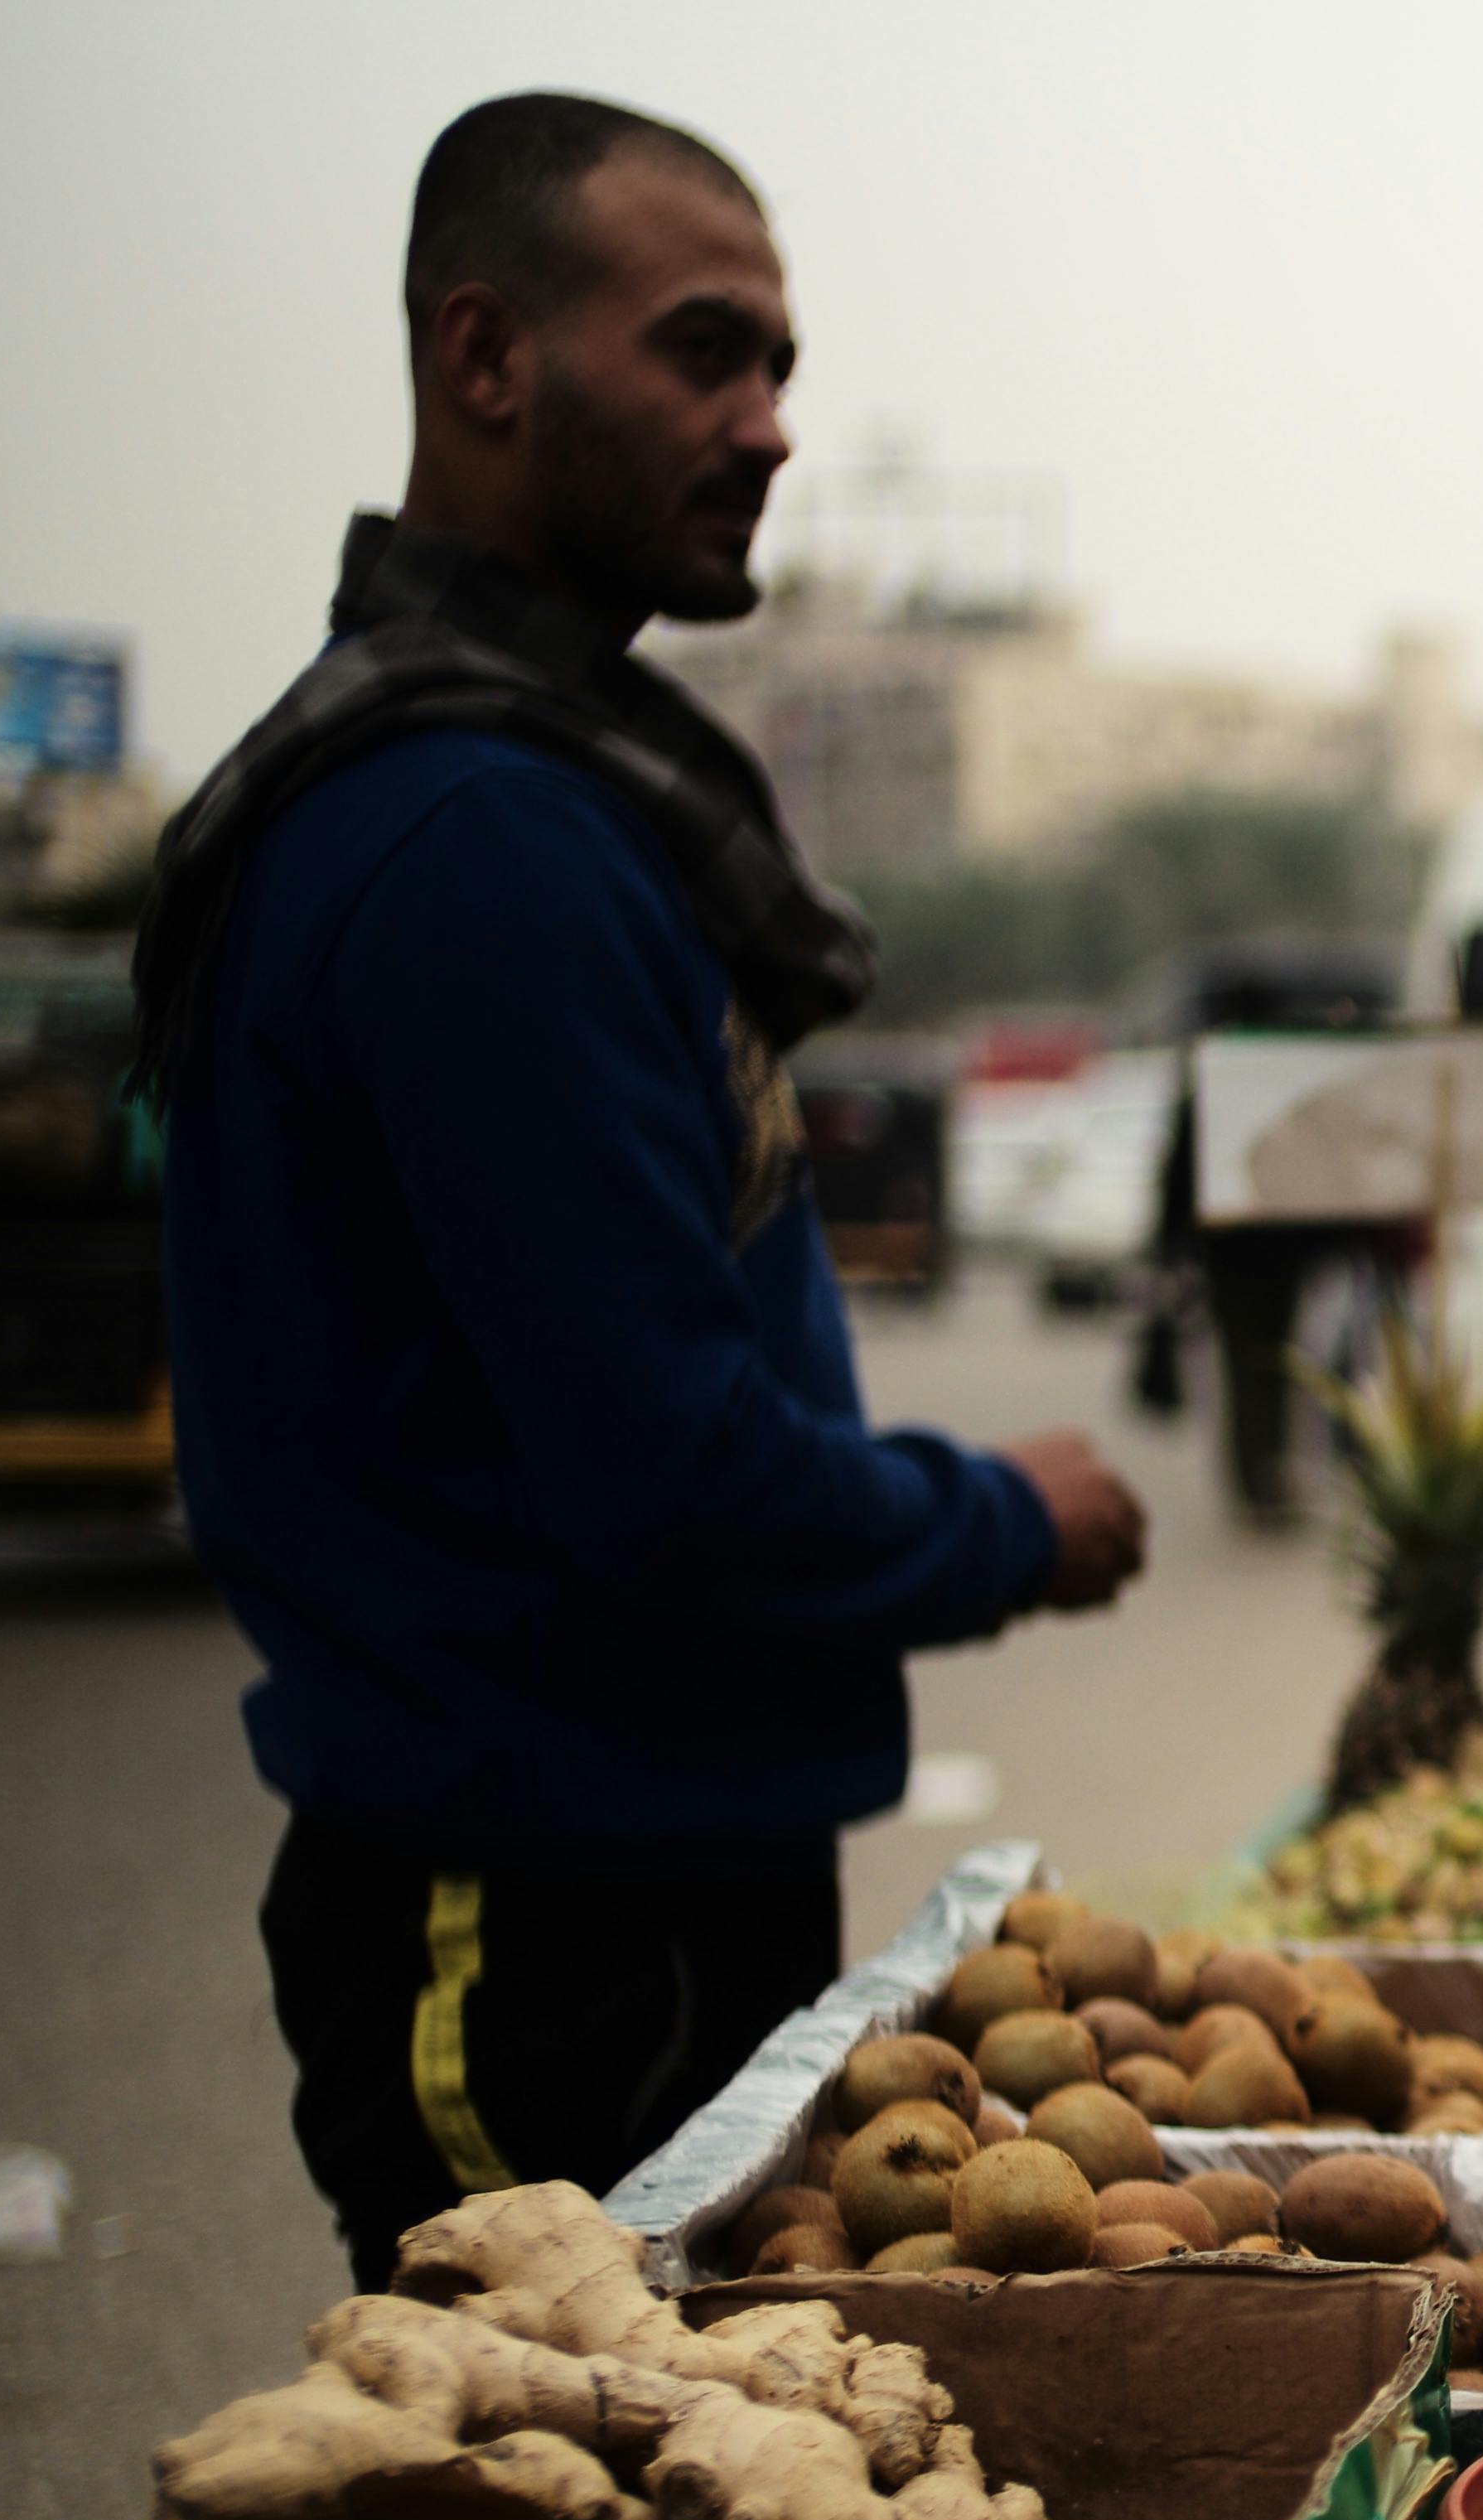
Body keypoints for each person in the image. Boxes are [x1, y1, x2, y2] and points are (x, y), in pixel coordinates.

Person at [137, 94, 1149, 2285]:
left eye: (779, 365)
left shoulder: (554, 797)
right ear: (487, 358)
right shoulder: (473, 838)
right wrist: (1007, 1521)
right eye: (704, 354)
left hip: (642, 1873)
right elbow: (661, 1468)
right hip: (534, 1916)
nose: (769, 424)